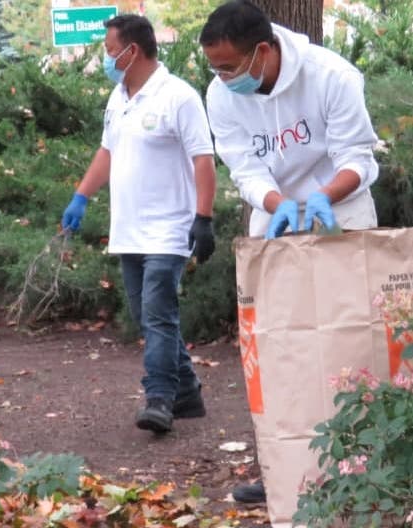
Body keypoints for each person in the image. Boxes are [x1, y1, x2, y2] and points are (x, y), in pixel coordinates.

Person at [199, 0, 380, 502]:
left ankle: (358, 468)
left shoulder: (331, 76)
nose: (221, 76)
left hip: (340, 217)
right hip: (274, 222)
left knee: (347, 349)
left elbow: (357, 158)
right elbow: (246, 169)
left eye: (229, 66)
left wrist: (323, 197)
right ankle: (284, 468)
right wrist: (280, 204)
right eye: (214, 67)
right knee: (275, 352)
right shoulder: (221, 94)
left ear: (263, 51)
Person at [60, 15, 217, 434]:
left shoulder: (178, 97)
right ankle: (187, 394)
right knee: (146, 316)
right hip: (128, 228)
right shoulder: (119, 96)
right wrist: (81, 196)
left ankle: (160, 399)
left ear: (133, 50)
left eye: (112, 51)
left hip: (170, 228)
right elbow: (106, 152)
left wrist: (204, 218)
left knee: (158, 314)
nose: (108, 58)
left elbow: (203, 159)